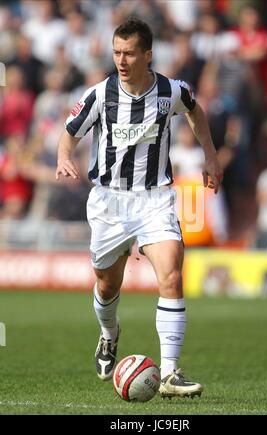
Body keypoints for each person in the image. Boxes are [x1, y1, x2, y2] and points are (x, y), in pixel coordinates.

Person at [56, 18, 222, 398]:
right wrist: (65, 158)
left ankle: (169, 373)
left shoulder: (171, 90)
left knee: (171, 275)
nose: (121, 60)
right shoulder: (99, 94)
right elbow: (68, 134)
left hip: (155, 198)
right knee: (107, 283)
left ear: (148, 55)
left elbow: (196, 111)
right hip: (109, 202)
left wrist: (210, 155)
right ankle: (109, 334)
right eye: (116, 52)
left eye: (129, 52)